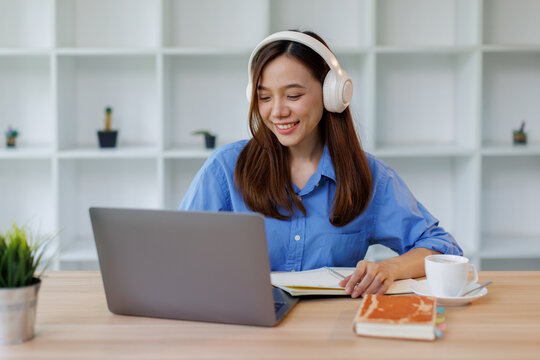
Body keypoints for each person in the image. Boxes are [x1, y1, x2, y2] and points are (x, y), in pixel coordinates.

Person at [179, 30, 462, 298]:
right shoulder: (225, 168)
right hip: (249, 328)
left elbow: (441, 246)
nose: (277, 111)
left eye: (293, 95)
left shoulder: (369, 176)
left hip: (330, 330)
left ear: (332, 94)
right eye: (264, 97)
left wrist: (391, 268)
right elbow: (178, 251)